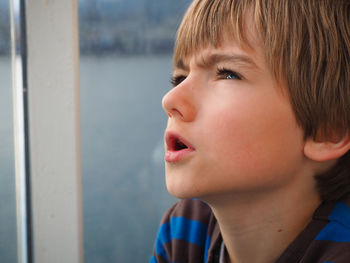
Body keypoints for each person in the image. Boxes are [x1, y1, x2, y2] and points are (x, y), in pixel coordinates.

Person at [150, 0, 350, 262]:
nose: (170, 99)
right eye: (179, 78)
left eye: (227, 73)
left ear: (328, 129)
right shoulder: (184, 233)